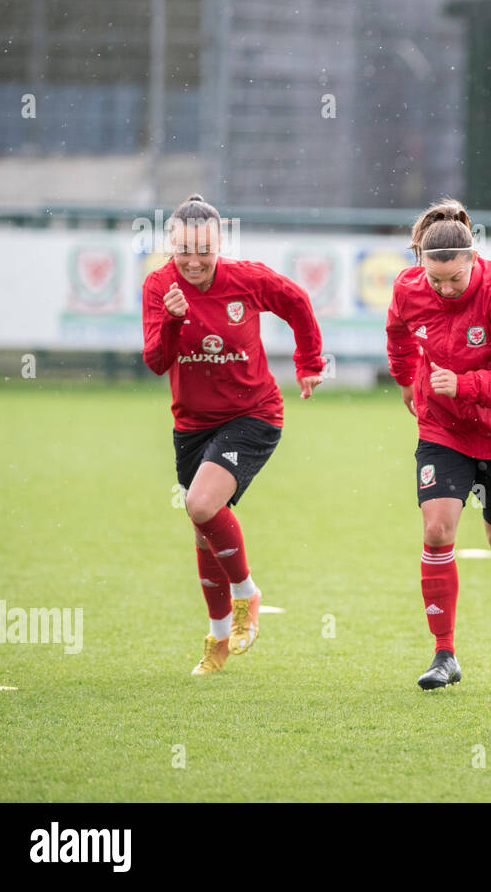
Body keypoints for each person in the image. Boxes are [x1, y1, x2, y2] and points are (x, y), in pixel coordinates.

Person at [141, 195, 325, 675]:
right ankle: (219, 639)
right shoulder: (159, 287)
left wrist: (308, 363)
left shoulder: (246, 278)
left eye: (204, 249)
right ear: (171, 246)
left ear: (220, 244)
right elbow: (157, 361)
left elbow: (298, 304)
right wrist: (173, 319)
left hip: (254, 414)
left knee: (201, 505)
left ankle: (248, 594)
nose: (195, 260)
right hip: (192, 425)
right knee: (204, 534)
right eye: (184, 249)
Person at [386, 200, 491, 690]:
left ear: (473, 260)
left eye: (454, 280)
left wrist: (465, 386)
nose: (444, 290)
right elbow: (399, 336)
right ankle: (443, 653)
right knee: (439, 529)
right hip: (442, 429)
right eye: (435, 280)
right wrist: (408, 381)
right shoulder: (408, 288)